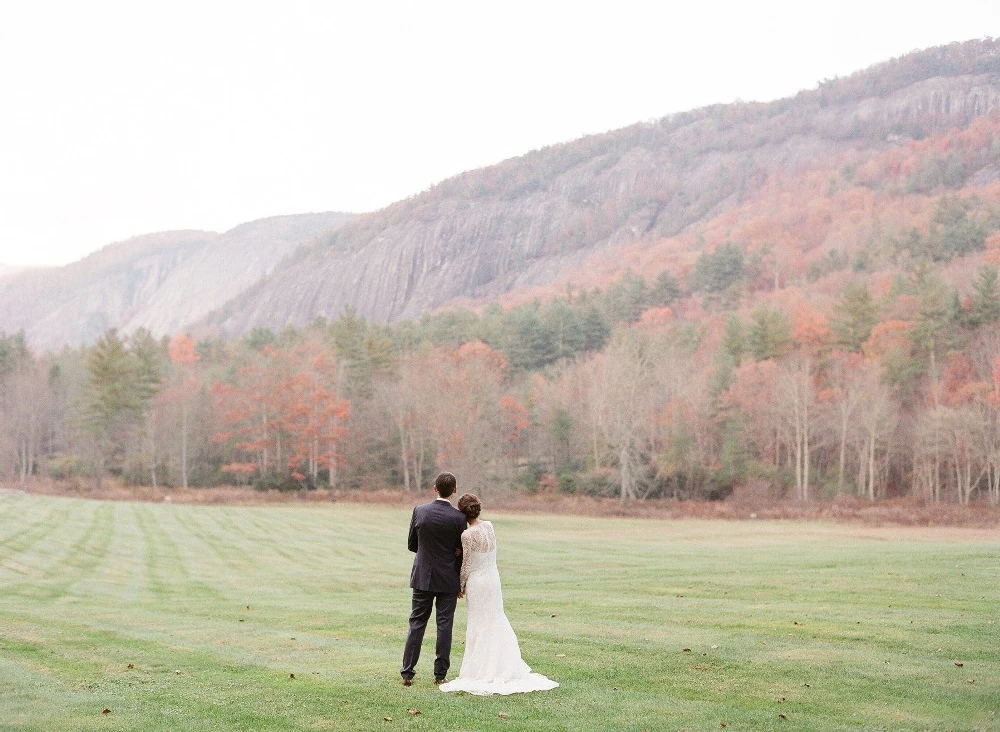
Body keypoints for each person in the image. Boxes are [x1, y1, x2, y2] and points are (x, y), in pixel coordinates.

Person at [439, 493, 558, 696]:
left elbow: (467, 564)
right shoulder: (490, 526)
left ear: (462, 513)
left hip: (477, 581)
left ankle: (482, 670)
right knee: (495, 618)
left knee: (478, 622)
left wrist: (461, 585)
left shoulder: (467, 535)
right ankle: (503, 665)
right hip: (493, 578)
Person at [400, 472, 467, 686]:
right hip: (448, 579)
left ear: (434, 488)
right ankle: (440, 675)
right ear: (454, 490)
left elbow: (412, 545)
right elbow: (462, 551)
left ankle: (407, 672)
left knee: (417, 622)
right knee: (444, 625)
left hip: (423, 577)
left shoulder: (420, 511)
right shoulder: (459, 518)